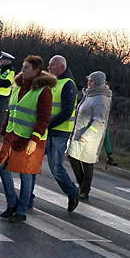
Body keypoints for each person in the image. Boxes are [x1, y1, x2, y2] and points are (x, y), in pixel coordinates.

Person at [0, 54, 55, 222]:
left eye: (26, 68)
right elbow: (11, 109)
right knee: (2, 166)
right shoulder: (18, 86)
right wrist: (5, 128)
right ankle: (11, 203)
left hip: (29, 138)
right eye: (22, 67)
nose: (22, 70)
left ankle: (21, 211)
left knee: (25, 173)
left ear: (36, 71)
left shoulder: (44, 91)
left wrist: (34, 139)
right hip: (12, 134)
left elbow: (44, 118)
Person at [44, 54, 82, 212]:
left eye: (51, 65)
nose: (48, 68)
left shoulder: (68, 84)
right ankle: (28, 197)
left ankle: (73, 192)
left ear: (61, 67)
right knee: (32, 162)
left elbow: (67, 111)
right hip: (47, 130)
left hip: (60, 132)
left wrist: (48, 124)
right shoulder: (53, 81)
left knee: (56, 167)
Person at [67, 71, 112, 200]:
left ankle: (85, 189)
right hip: (79, 132)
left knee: (87, 162)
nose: (88, 83)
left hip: (89, 137)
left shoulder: (101, 99)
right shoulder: (89, 94)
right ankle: (81, 184)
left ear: (97, 83)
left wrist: (87, 135)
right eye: (88, 80)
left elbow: (99, 121)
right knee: (72, 157)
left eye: (91, 81)